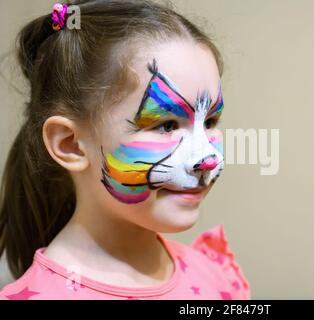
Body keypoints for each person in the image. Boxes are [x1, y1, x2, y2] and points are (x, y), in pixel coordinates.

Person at [0, 0, 250, 300]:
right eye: (167, 125)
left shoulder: (212, 274)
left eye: (210, 121)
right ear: (70, 144)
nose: (208, 159)